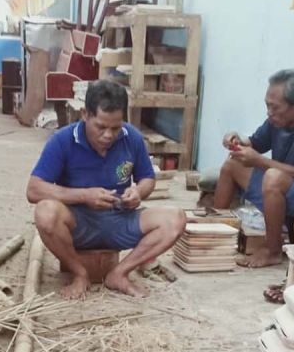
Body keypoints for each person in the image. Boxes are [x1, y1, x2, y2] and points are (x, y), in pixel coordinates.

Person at [26, 80, 186, 299]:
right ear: (85, 114)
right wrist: (84, 195)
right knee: (45, 212)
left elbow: (147, 178)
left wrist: (138, 192)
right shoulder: (63, 140)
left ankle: (119, 274)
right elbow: (34, 190)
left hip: (120, 219)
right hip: (78, 224)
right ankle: (80, 274)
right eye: (100, 127)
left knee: (175, 219)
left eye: (115, 127)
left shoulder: (132, 137)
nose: (109, 135)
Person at [212, 69, 294, 268]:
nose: (269, 112)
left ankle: (273, 250)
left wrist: (259, 161)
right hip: (283, 192)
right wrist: (235, 139)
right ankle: (214, 232)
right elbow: (253, 142)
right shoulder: (277, 120)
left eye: (274, 107)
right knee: (232, 164)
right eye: (267, 106)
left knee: (273, 177)